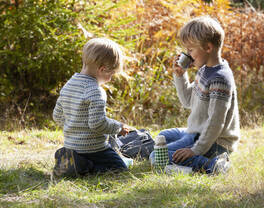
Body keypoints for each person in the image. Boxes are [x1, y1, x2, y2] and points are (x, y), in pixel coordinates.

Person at [150, 16, 240, 174]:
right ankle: (188, 161)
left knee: (157, 156)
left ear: (208, 48)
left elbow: (216, 122)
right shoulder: (205, 70)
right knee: (163, 137)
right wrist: (180, 75)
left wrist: (195, 150)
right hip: (196, 132)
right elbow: (187, 101)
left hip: (215, 142)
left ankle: (213, 165)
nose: (188, 55)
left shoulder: (220, 79)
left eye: (191, 50)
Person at [53, 37, 131, 173]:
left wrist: (74, 127)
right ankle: (85, 167)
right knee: (120, 168)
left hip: (71, 146)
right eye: (111, 74)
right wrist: (119, 127)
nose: (111, 79)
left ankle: (71, 161)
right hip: (94, 149)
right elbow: (97, 124)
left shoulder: (68, 85)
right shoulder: (95, 91)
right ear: (102, 69)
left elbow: (57, 116)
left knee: (112, 160)